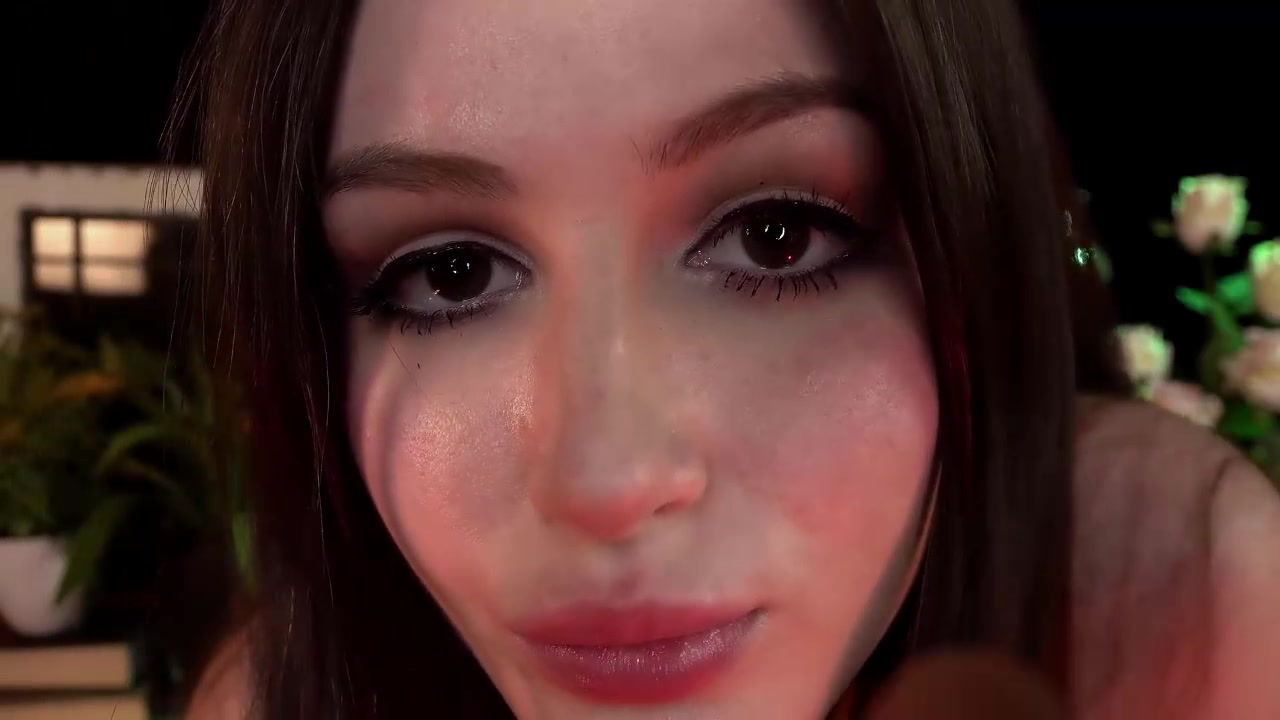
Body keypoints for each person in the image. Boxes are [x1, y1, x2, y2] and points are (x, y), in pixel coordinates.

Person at [180, 0, 1280, 718]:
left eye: (775, 236)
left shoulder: (1177, 636)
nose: (606, 481)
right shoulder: (295, 697)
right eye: (450, 275)